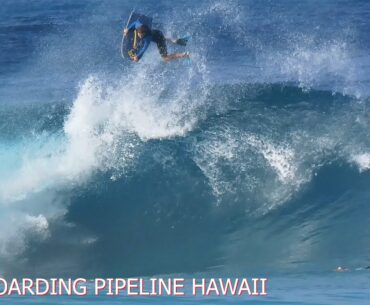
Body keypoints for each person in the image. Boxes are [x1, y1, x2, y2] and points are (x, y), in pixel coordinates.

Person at [123, 20, 189, 62]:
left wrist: (138, 57)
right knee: (163, 38)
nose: (139, 35)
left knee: (165, 58)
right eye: (138, 33)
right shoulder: (139, 26)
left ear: (144, 33)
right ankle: (181, 41)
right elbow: (135, 22)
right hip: (158, 33)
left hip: (159, 40)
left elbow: (144, 49)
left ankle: (184, 55)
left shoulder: (147, 39)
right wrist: (128, 29)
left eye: (140, 35)